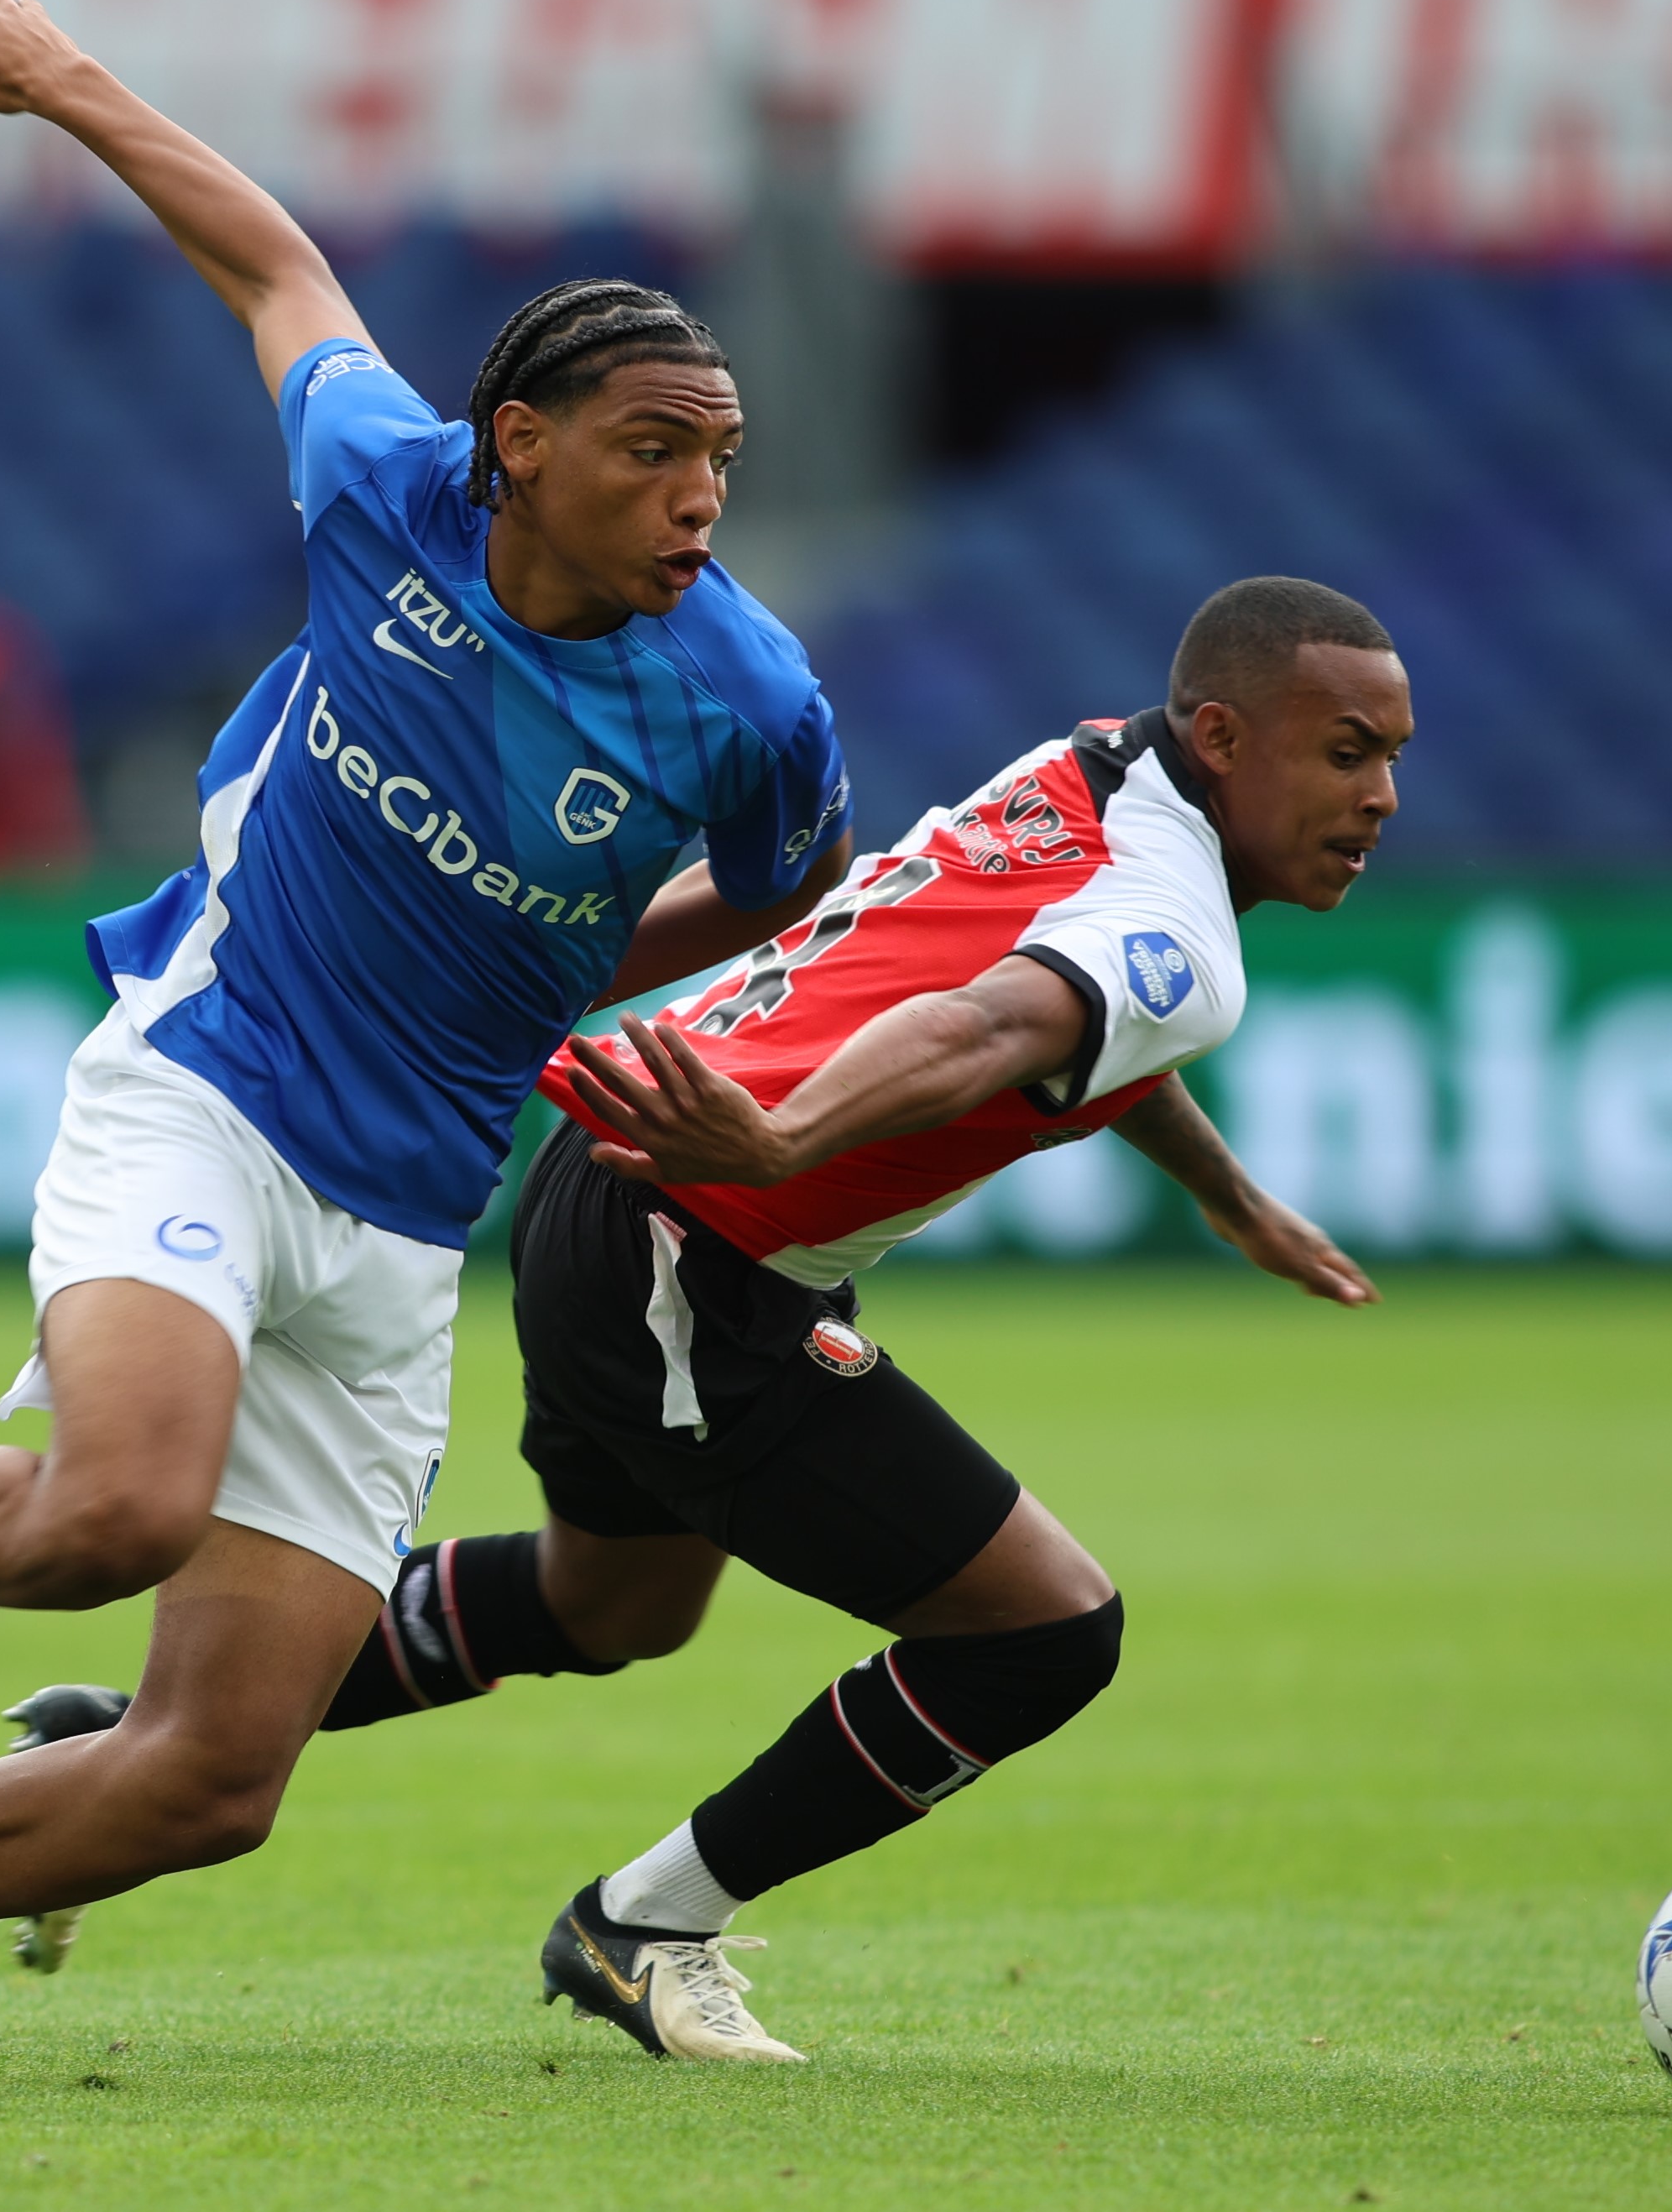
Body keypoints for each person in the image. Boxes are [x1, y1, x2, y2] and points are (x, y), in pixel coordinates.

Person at [0, 0, 855, 2083]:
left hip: (406, 1220)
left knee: (206, 1783)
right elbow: (271, 257)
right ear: (518, 448)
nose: (699, 494)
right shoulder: (388, 486)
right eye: (653, 449)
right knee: (115, 1503)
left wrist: (574, 966)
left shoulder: (750, 694)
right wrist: (55, 88)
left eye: (723, 458)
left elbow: (785, 884)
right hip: (201, 1090)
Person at [265, 575, 1407, 2059]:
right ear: (1222, 735)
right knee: (1047, 1630)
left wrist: (1230, 1198)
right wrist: (788, 1139)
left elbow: (1080, 1022)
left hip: (617, 1173)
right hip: (702, 1236)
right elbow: (988, 1025)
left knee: (612, 1602)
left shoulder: (1089, 770)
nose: (1379, 795)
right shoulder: (1177, 924)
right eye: (1345, 752)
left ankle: (180, 1724)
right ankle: (644, 1920)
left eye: (1390, 755)